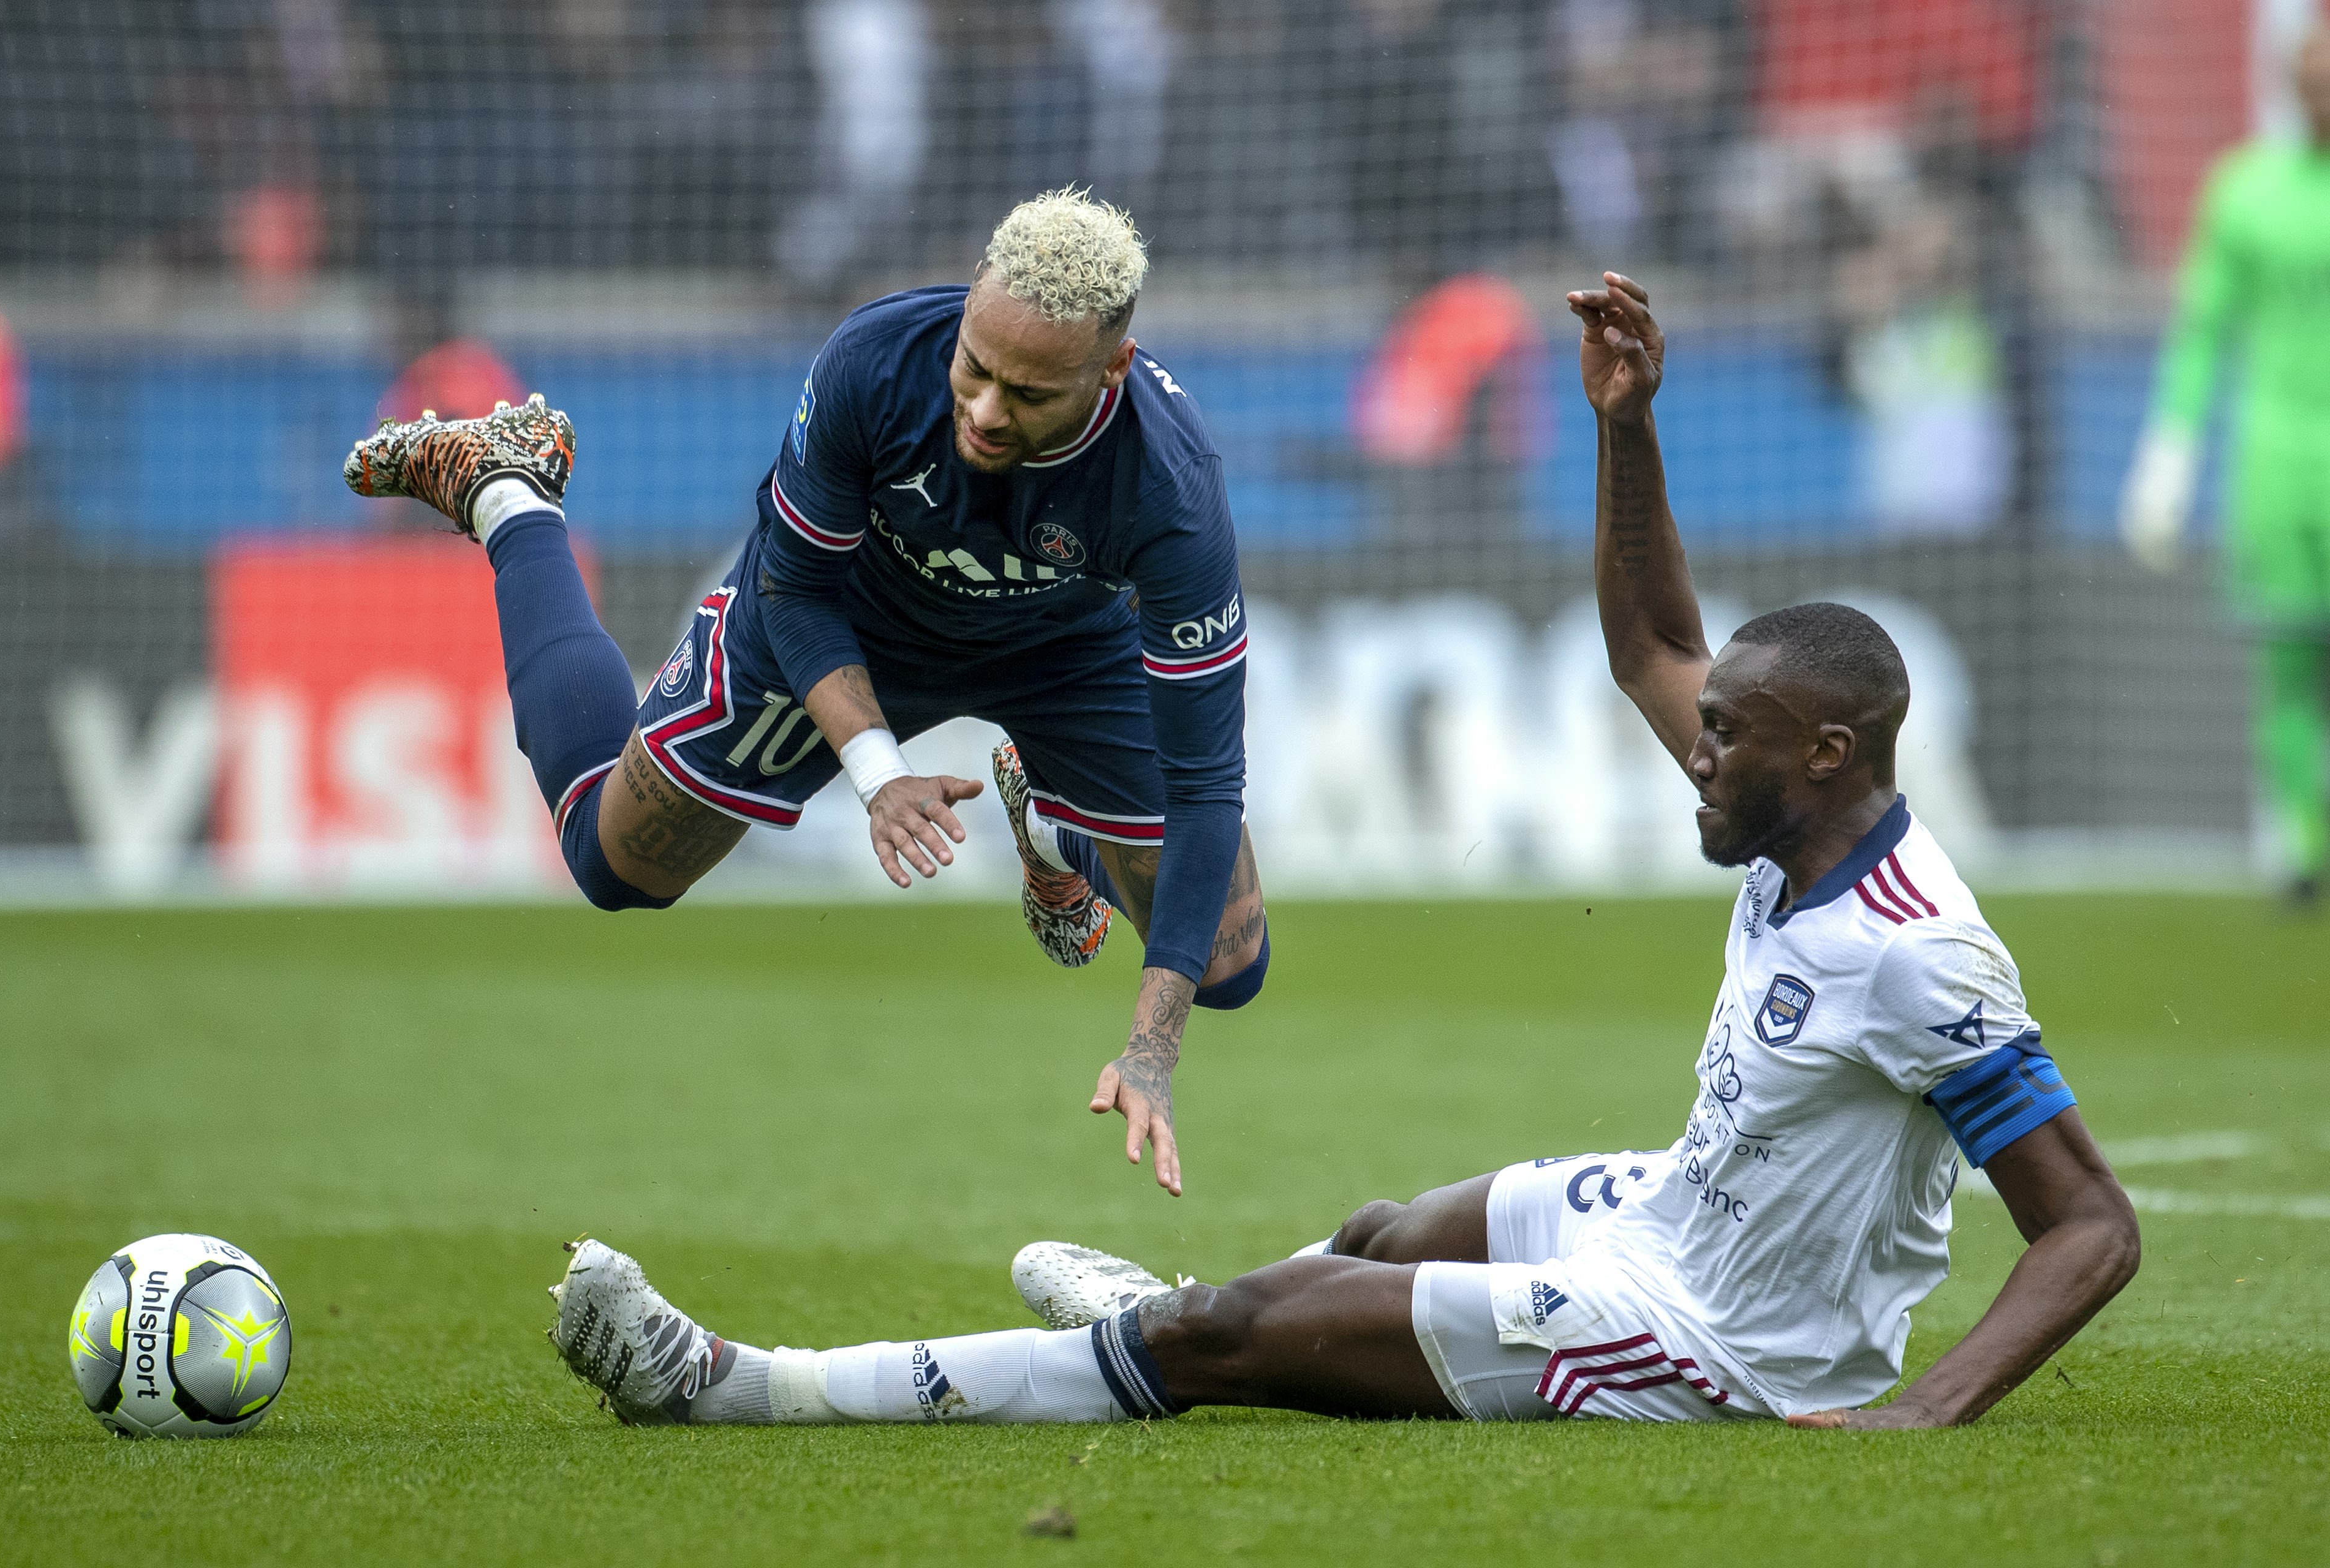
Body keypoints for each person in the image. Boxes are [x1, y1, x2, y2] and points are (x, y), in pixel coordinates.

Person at [539, 274, 2141, 1431]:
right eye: (1708, 731)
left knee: (1237, 1332)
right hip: (1666, 1213)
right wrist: (1626, 430)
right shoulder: (1793, 821)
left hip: (1711, 1337)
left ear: (1832, 754)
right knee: (1374, 1232)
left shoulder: (1920, 949)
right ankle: (1178, 1314)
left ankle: (752, 1392)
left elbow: (2090, 1226)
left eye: (1726, 738)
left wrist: (1920, 1416)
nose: (1694, 755)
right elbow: (1655, 642)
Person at [344, 191, 1265, 1197]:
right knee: (615, 868)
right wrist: (878, 771)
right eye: (976, 368)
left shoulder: (1173, 490)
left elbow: (1208, 782)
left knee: (1226, 967)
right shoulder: (873, 361)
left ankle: (1047, 827)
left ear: (1111, 370)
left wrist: (1150, 1052)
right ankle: (507, 492)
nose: (987, 410)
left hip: (1070, 653)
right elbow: (794, 582)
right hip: (854, 614)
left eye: (1030, 394)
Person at [2121, 26, 2330, 908]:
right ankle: (2306, 847)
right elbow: (2203, 334)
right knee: (2285, 661)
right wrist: (2169, 454)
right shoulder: (2245, 190)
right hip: (2277, 463)